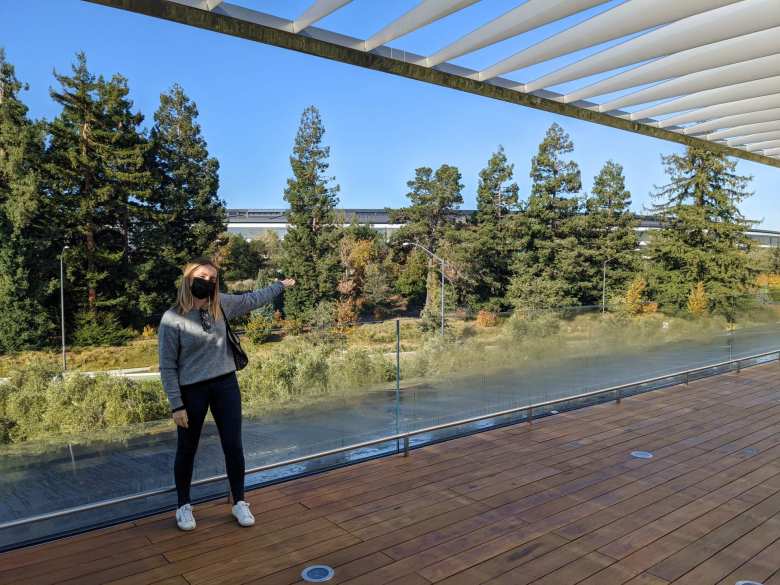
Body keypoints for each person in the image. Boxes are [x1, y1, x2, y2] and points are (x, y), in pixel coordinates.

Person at [157, 255, 295, 531]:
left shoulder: (221, 305)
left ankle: (239, 501)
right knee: (187, 449)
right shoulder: (172, 318)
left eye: (211, 279)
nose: (206, 282)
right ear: (188, 277)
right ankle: (183, 506)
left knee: (233, 445)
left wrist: (279, 286)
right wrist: (176, 405)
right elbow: (167, 365)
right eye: (201, 276)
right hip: (191, 391)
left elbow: (252, 299)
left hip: (225, 385)